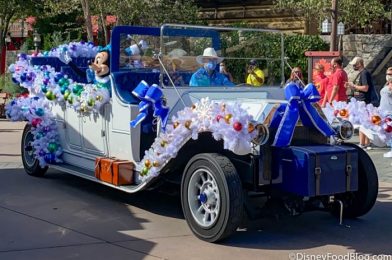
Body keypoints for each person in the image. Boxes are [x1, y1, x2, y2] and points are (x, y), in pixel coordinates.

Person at [346, 57, 378, 149]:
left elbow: (365, 88)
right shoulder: (363, 73)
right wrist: (352, 86)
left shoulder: (364, 73)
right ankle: (366, 143)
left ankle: (362, 143)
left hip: (364, 101)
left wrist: (354, 86)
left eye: (354, 65)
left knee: (363, 123)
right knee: (365, 123)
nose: (353, 66)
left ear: (359, 64)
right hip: (363, 100)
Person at [358, 67, 392, 151]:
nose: (388, 76)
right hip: (382, 113)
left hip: (390, 113)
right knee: (367, 126)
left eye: (390, 74)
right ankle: (365, 143)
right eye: (387, 74)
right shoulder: (387, 84)